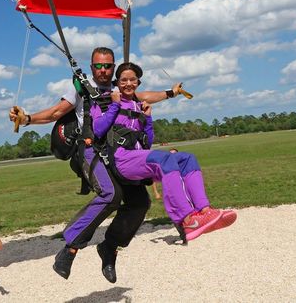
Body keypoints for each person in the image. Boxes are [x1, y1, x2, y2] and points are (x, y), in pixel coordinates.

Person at [9, 46, 186, 283]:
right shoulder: (80, 88)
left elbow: (143, 96)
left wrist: (171, 93)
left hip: (116, 151)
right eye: (98, 66)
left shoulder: (118, 87)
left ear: (113, 67)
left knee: (139, 202)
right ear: (92, 67)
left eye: (108, 66)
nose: (103, 70)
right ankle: (70, 248)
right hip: (91, 149)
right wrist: (27, 118)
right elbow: (55, 113)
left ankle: (109, 247)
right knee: (111, 194)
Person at [94, 62, 237, 242]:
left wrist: (148, 118)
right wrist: (115, 106)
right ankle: (187, 219)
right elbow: (98, 130)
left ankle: (205, 211)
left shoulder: (138, 105)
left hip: (137, 159)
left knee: (186, 159)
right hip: (121, 159)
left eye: (132, 80)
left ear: (138, 82)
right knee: (164, 158)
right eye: (123, 80)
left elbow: (148, 141)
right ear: (117, 83)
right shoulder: (108, 101)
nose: (128, 84)